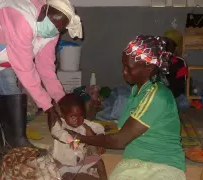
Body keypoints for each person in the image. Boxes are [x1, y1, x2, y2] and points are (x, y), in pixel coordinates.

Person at [0, 0, 82, 166]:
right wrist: (48, 107)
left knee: (9, 82)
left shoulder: (52, 32)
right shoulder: (22, 19)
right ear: (43, 11)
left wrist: (61, 100)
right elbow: (26, 70)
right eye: (52, 24)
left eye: (59, 28)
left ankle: (17, 140)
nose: (54, 30)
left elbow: (46, 69)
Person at [64, 35, 186, 179]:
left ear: (149, 68)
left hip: (161, 167)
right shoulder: (136, 91)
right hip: (136, 164)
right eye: (123, 65)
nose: (124, 71)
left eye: (129, 67)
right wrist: (93, 111)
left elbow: (119, 140)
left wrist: (79, 137)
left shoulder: (157, 96)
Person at [51, 93, 107, 180]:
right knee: (75, 177)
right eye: (72, 116)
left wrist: (100, 137)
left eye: (80, 115)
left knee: (99, 161)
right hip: (64, 165)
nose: (77, 119)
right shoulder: (61, 125)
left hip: (81, 161)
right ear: (62, 115)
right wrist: (70, 139)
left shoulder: (83, 123)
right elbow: (57, 132)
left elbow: (98, 127)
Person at [163, 29, 188, 99]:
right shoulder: (158, 59)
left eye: (169, 44)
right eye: (164, 43)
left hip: (174, 95)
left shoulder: (180, 62)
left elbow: (181, 84)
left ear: (175, 47)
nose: (166, 46)